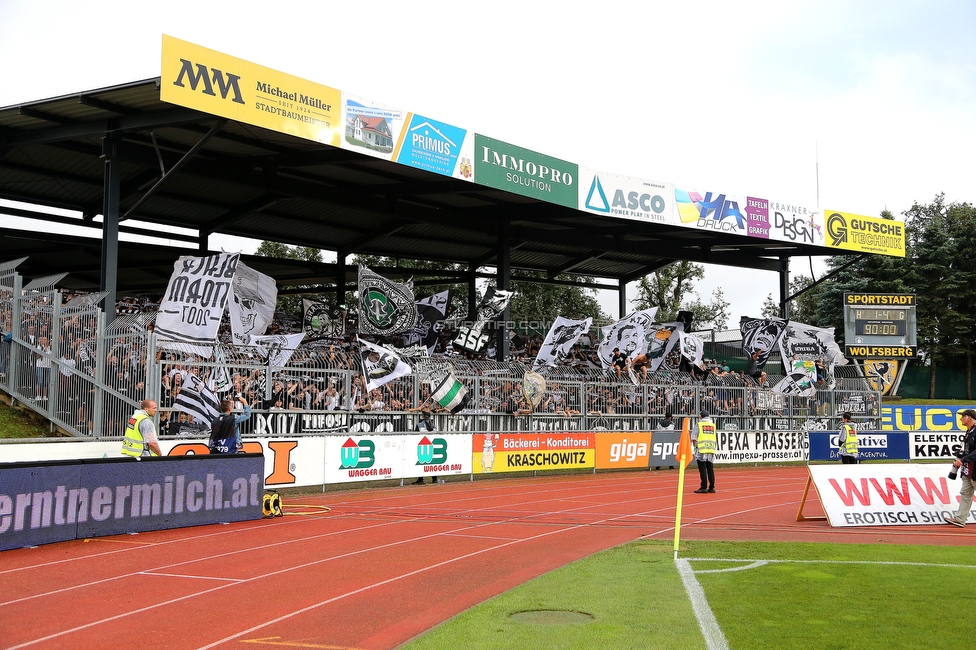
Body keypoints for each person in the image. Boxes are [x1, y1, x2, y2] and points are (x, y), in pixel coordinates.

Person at [945, 409, 976, 528]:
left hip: (973, 469)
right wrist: (961, 456)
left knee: (966, 493)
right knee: (965, 493)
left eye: (963, 416)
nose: (961, 419)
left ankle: (960, 518)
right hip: (969, 470)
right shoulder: (969, 432)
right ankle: (960, 519)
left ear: (969, 418)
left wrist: (962, 460)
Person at [412, 406, 439, 484]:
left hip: (421, 445)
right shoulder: (433, 425)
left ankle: (421, 479)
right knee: (432, 462)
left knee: (421, 462)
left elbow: (415, 435)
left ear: (422, 416)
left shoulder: (419, 425)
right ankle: (434, 479)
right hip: (431, 444)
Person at [692, 410, 717, 493]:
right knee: (710, 469)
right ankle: (712, 487)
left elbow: (694, 438)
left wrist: (696, 447)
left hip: (701, 450)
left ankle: (703, 486)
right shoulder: (713, 425)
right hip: (711, 449)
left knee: (702, 469)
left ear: (701, 416)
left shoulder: (699, 424)